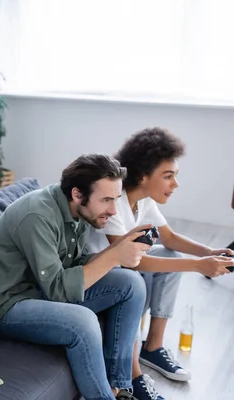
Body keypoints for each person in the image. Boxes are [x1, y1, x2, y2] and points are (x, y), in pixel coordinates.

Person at [0, 153, 150, 400]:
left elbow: (77, 264)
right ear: (77, 194)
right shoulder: (37, 215)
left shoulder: (81, 211)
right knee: (83, 322)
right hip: (5, 305)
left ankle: (120, 388)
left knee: (132, 284)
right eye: (106, 200)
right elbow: (58, 289)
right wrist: (114, 257)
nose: (113, 210)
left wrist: (118, 250)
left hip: (41, 290)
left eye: (116, 199)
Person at [87, 127, 234, 400]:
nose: (175, 184)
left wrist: (209, 252)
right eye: (168, 176)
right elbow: (132, 263)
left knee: (170, 255)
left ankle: (152, 347)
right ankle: (132, 372)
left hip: (125, 272)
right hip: (102, 280)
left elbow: (168, 238)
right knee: (140, 275)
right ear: (143, 176)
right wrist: (199, 266)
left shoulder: (141, 201)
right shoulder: (115, 203)